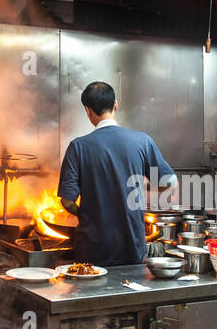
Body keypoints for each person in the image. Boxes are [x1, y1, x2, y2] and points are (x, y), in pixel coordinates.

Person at [58, 80, 177, 266]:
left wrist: (86, 215)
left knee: (91, 292)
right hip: (132, 246)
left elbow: (67, 201)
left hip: (92, 249)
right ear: (115, 105)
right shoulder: (142, 141)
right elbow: (170, 183)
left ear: (87, 110)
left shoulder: (78, 147)